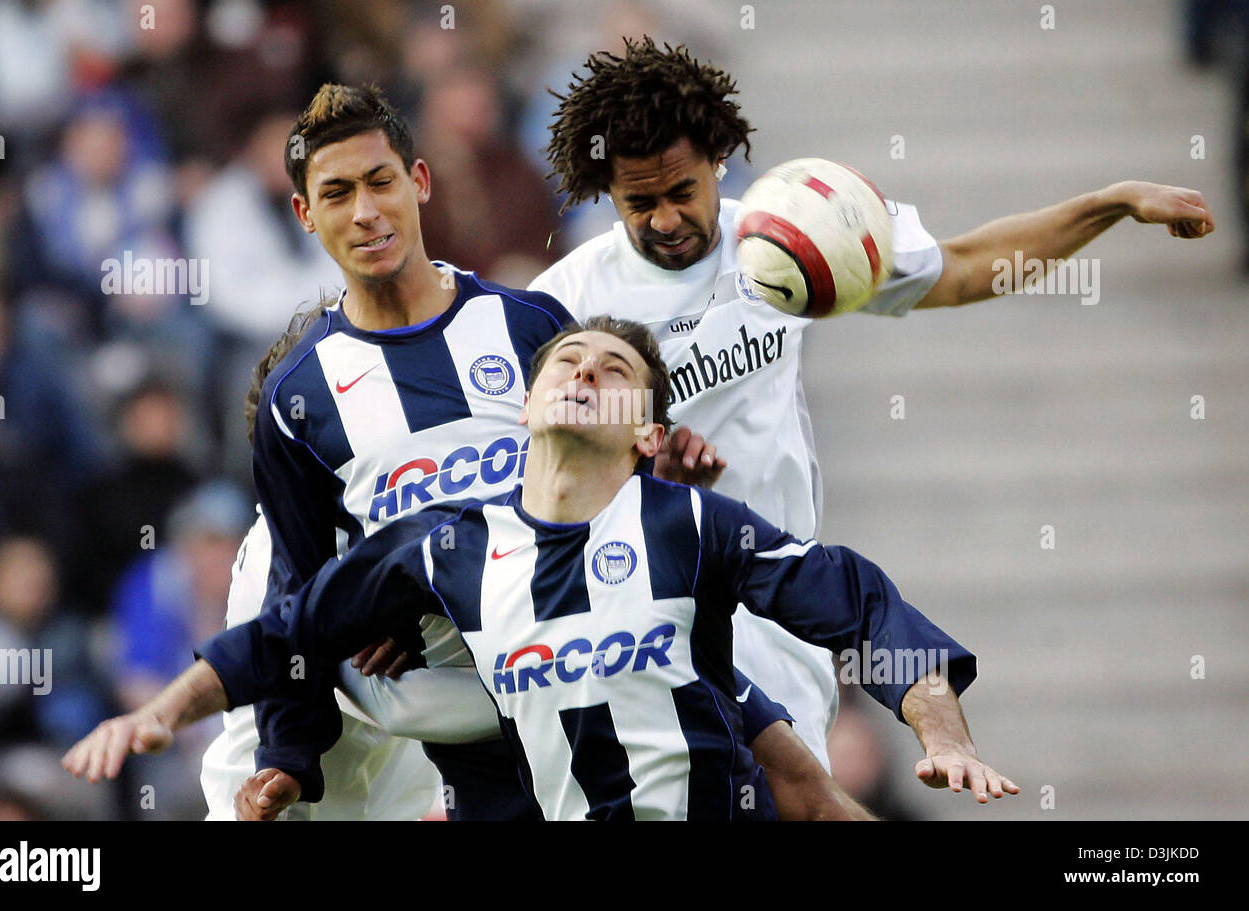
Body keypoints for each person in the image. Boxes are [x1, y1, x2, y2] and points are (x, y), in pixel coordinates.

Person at [525, 37, 1216, 773]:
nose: (665, 219)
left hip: (777, 611)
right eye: (641, 202)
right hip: (636, 620)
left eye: (681, 192)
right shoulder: (563, 308)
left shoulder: (788, 237)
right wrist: (640, 475)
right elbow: (531, 482)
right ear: (606, 190)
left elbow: (969, 267)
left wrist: (1108, 203)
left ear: (719, 162)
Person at [62, 317, 1018, 820]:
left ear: (648, 432)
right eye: (567, 359)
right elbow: (279, 638)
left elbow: (862, 606)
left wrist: (946, 732)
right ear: (522, 407)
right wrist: (156, 713)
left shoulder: (693, 528)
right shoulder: (446, 551)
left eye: (612, 367)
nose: (584, 370)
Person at [195, 83, 819, 821]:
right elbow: (287, 635)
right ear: (304, 214)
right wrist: (286, 760)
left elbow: (604, 496)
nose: (365, 212)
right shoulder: (293, 454)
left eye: (380, 182)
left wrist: (653, 477)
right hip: (460, 742)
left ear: (419, 181)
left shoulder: (530, 328)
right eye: (337, 193)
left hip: (595, 691)